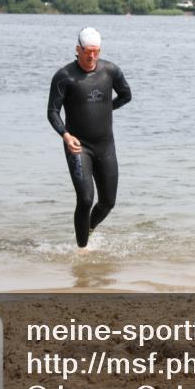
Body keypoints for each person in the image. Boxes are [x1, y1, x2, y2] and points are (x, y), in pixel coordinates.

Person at [47, 27, 132, 249]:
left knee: (108, 202)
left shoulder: (110, 71)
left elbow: (126, 95)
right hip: (78, 145)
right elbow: (52, 112)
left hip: (105, 146)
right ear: (78, 49)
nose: (91, 56)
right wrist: (65, 135)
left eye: (95, 51)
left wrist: (106, 109)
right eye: (87, 51)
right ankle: (81, 250)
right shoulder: (64, 77)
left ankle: (89, 228)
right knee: (85, 199)